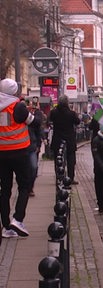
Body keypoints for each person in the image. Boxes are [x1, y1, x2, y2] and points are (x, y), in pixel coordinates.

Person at [0, 78, 37, 238]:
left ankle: (6, 226)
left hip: (1, 153)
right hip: (20, 152)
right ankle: (18, 219)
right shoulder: (18, 106)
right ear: (14, 91)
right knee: (24, 185)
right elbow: (34, 122)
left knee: (5, 190)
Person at [50, 95, 81, 184]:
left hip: (57, 139)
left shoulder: (54, 113)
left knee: (57, 160)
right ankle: (70, 178)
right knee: (71, 160)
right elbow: (77, 121)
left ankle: (58, 177)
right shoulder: (71, 114)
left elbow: (50, 119)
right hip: (69, 140)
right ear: (67, 103)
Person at [26, 97, 44, 197]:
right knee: (24, 169)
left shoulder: (33, 117)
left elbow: (38, 129)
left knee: (34, 167)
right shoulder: (19, 117)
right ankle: (25, 188)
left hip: (32, 146)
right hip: (21, 147)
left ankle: (30, 187)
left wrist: (38, 144)